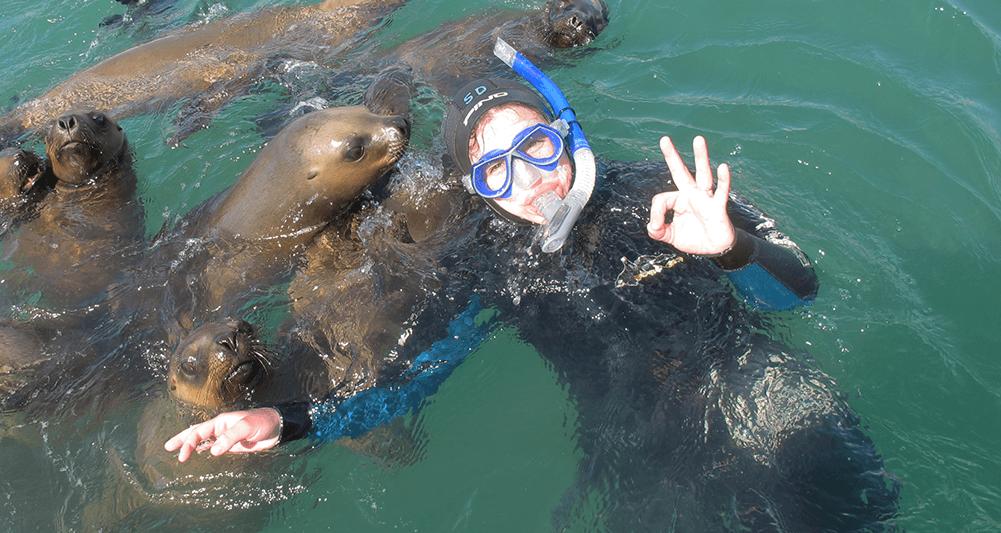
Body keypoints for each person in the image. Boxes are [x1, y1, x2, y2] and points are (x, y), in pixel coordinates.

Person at [167, 72, 898, 531]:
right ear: (477, 187)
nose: (526, 180)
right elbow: (410, 378)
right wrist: (290, 421)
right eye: (494, 170)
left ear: (565, 134)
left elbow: (799, 292)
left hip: (763, 400)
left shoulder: (663, 196)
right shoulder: (485, 263)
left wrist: (733, 248)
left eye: (537, 148)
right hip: (632, 446)